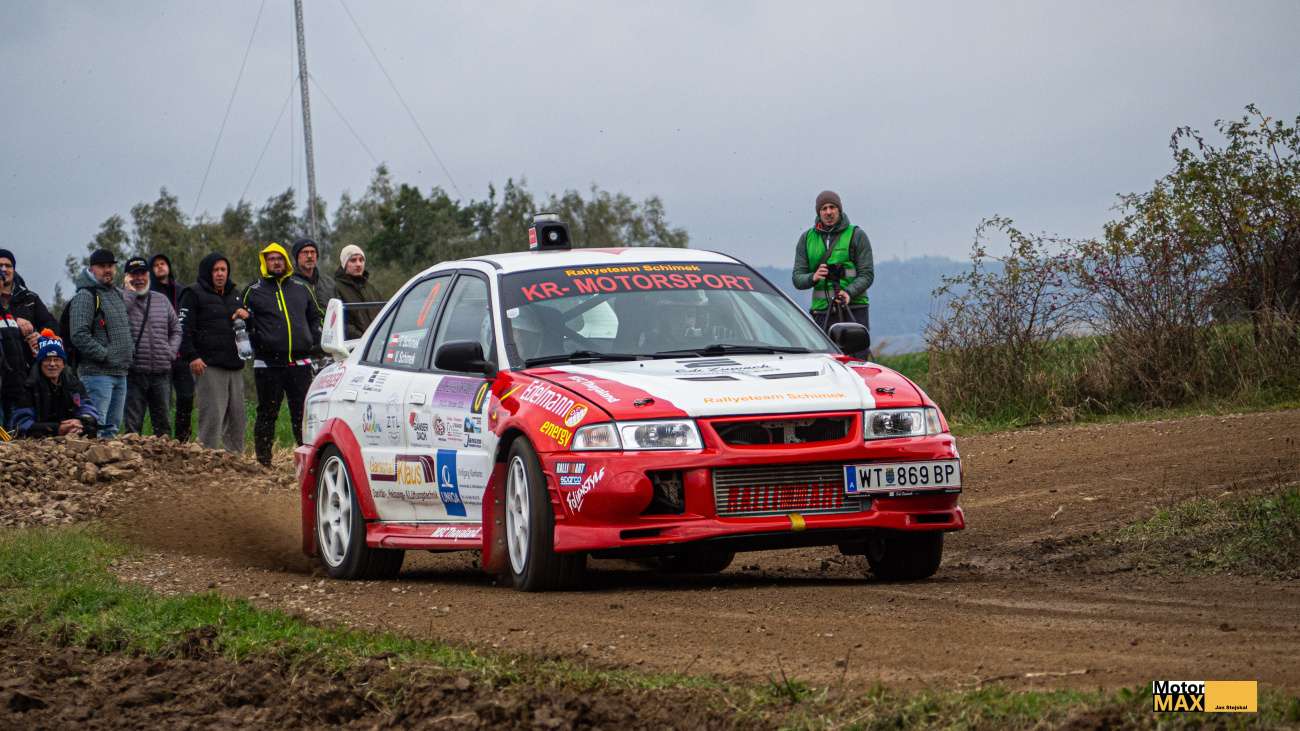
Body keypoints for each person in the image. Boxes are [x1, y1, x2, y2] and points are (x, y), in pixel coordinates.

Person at [242, 242, 321, 466]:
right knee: (267, 413)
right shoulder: (252, 290)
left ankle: (307, 462)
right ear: (265, 262)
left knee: (302, 414)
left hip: (300, 363)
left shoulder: (301, 288)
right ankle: (264, 463)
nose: (276, 262)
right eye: (271, 259)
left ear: (286, 261)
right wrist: (256, 340)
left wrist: (313, 338)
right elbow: (242, 320)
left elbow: (316, 316)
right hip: (268, 364)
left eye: (279, 258)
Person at [178, 253, 248, 454]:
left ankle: (235, 460)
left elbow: (244, 327)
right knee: (212, 417)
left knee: (238, 417)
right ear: (207, 272)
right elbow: (183, 329)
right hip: (208, 366)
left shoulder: (235, 294)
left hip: (235, 364)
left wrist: (247, 316)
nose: (220, 274)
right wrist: (192, 356)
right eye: (215, 270)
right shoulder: (193, 293)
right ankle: (206, 459)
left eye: (223, 270)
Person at [791, 190, 875, 359]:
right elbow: (797, 278)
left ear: (839, 209)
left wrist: (849, 292)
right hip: (822, 311)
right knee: (825, 360)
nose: (828, 212)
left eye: (832, 207)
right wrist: (813, 277)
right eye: (824, 208)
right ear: (818, 212)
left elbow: (867, 274)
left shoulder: (856, 235)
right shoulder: (806, 238)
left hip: (854, 308)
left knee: (856, 360)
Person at [68, 248, 133, 437]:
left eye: (110, 266)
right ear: (92, 269)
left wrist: (130, 352)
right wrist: (105, 355)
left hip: (120, 372)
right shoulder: (85, 296)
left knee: (111, 430)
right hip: (96, 375)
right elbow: (79, 335)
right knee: (94, 429)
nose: (108, 270)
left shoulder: (117, 294)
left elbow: (127, 328)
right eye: (102, 266)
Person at [121, 256, 180, 436]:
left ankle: (164, 455)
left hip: (161, 374)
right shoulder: (119, 299)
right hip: (134, 374)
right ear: (126, 278)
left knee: (163, 427)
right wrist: (130, 293)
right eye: (134, 275)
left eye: (142, 273)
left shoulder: (161, 300)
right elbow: (118, 319)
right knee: (133, 428)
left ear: (148, 275)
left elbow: (176, 329)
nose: (139, 278)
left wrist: (170, 352)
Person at [0, 248, 58, 428]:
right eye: (0, 265)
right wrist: (15, 321)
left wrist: (40, 336)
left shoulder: (29, 298)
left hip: (25, 376)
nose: (4, 269)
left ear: (14, 269)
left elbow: (53, 326)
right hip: (3, 374)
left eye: (8, 265)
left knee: (20, 430)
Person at [10, 329, 99, 438]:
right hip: (39, 440)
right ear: (40, 363)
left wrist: (80, 421)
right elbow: (22, 423)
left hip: (71, 433)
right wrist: (57, 429)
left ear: (63, 364)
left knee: (90, 428)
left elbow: (88, 408)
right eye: (47, 359)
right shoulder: (28, 386)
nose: (52, 364)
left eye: (56, 359)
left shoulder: (74, 384)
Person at [150, 253, 195, 442]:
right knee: (162, 402)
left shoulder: (181, 290)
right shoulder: (149, 292)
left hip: (182, 355)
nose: (160, 267)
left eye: (163, 263)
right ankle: (163, 440)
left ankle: (182, 440)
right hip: (159, 356)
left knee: (186, 396)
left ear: (168, 266)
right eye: (156, 265)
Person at [333, 244, 384, 340]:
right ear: (344, 264)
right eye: (353, 260)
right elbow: (341, 323)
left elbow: (384, 315)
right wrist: (364, 339)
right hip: (353, 345)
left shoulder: (371, 289)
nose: (358, 264)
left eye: (361, 260)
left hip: (376, 342)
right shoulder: (336, 288)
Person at [290, 238, 334, 315]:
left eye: (313, 252)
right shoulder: (289, 283)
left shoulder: (329, 283)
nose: (310, 256)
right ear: (297, 257)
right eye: (305, 252)